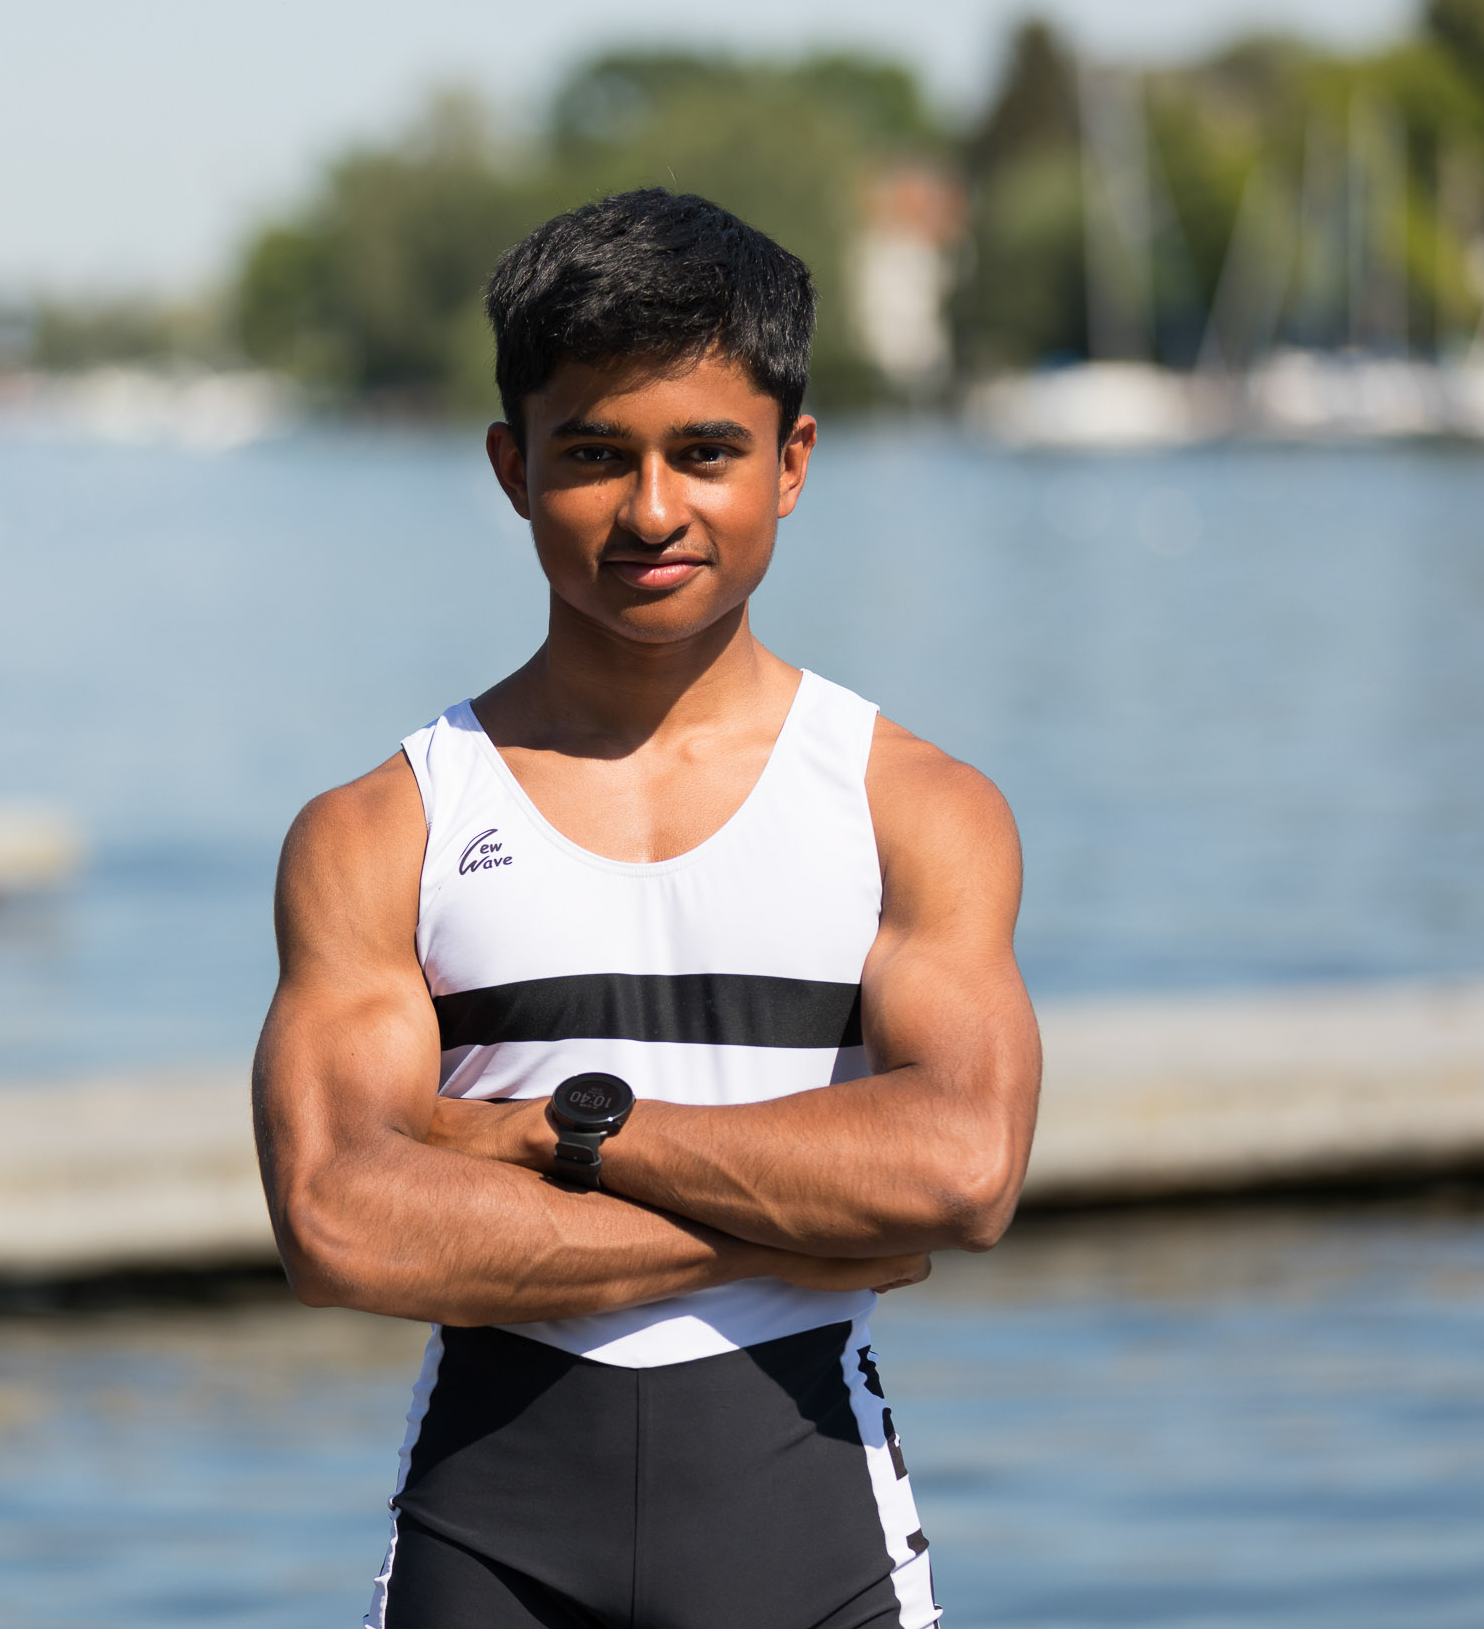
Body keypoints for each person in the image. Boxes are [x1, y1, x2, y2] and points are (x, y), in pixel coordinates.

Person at [252, 188, 1040, 1629]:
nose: (654, 509)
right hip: (488, 1540)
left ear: (793, 462)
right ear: (512, 467)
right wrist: (798, 1224)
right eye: (597, 456)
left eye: (707, 453)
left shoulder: (913, 807)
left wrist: (551, 1135)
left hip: (812, 1536)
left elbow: (959, 1170)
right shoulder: (383, 830)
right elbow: (341, 1226)